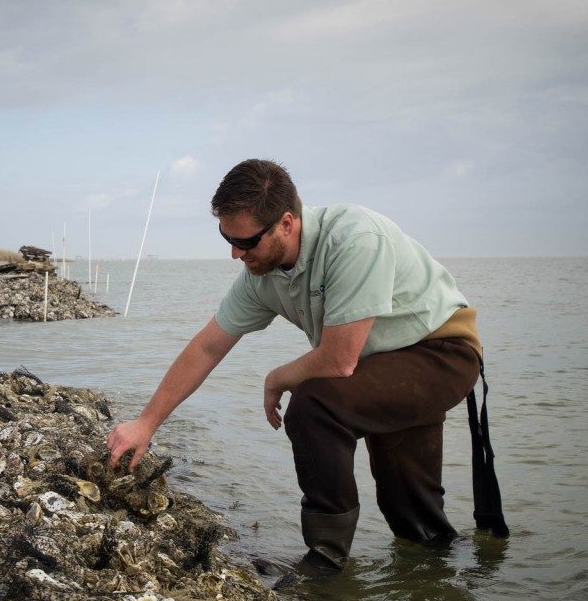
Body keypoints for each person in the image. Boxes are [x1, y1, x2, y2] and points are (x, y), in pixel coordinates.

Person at [107, 158, 489, 574]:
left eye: (247, 241)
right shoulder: (261, 274)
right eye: (227, 238)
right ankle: (455, 575)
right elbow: (207, 348)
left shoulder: (355, 239)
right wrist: (146, 423)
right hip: (378, 365)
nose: (236, 253)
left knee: (313, 404)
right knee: (413, 518)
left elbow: (340, 361)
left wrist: (276, 377)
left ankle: (325, 561)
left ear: (287, 223)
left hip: (440, 352)